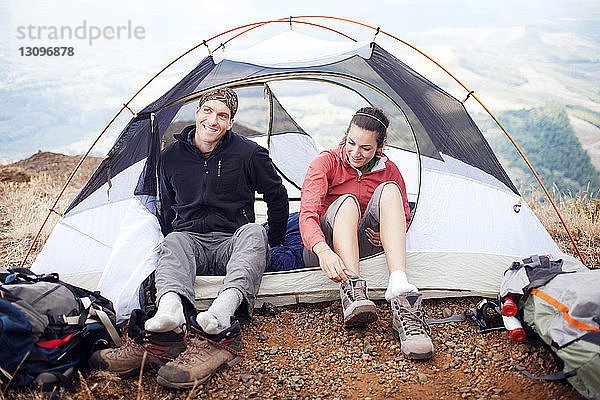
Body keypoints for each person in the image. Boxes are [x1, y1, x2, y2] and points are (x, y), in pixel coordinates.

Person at [90, 88, 289, 387]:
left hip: (232, 241)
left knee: (253, 232)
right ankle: (170, 312)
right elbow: (167, 208)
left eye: (223, 115)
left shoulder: (250, 153)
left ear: (231, 123)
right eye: (208, 111)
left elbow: (277, 195)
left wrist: (274, 242)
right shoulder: (170, 157)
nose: (213, 120)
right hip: (191, 242)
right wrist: (174, 244)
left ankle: (221, 314)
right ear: (197, 113)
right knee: (173, 240)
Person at [299, 106, 433, 360]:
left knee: (391, 189)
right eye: (351, 143)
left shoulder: (388, 169)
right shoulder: (326, 162)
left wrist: (385, 235)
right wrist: (323, 250)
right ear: (345, 136)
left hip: (364, 244)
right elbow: (306, 214)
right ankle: (352, 289)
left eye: (365, 148)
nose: (355, 153)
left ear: (379, 147)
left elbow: (403, 216)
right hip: (325, 251)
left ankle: (399, 287)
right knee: (347, 201)